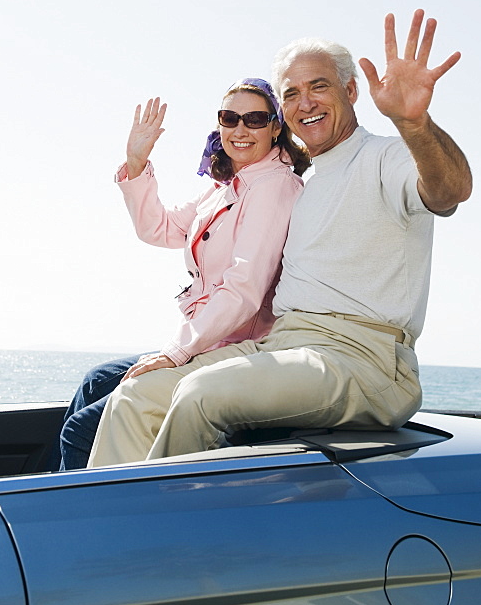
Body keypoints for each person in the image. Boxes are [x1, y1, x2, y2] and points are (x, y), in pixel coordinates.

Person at [87, 9, 473, 467]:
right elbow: (167, 229)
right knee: (135, 396)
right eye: (291, 93)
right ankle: (111, 527)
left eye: (319, 86)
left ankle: (166, 531)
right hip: (285, 345)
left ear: (351, 91)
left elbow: (450, 191)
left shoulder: (385, 157)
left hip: (364, 358)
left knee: (200, 393)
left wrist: (413, 123)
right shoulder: (304, 184)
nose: (305, 102)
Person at [57, 77, 308, 469]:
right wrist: (137, 163)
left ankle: (69, 516)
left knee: (82, 429)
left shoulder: (274, 187)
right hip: (206, 341)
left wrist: (175, 353)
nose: (240, 130)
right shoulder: (225, 187)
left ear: (276, 127)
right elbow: (161, 229)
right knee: (94, 381)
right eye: (230, 118)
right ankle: (41, 493)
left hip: (238, 346)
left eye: (255, 119)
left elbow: (243, 289)